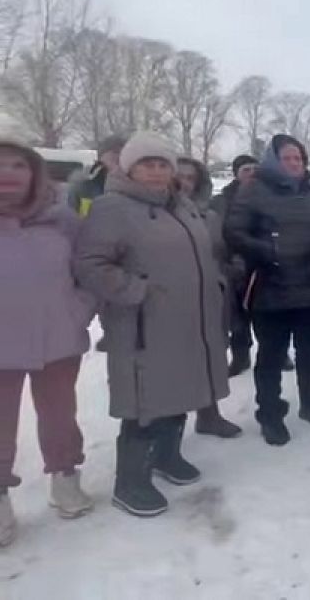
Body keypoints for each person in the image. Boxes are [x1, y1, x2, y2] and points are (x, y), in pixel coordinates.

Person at [73, 132, 230, 517]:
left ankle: (166, 456)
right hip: (143, 324)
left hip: (190, 320)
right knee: (144, 402)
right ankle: (130, 483)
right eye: (147, 164)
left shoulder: (182, 205)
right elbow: (89, 265)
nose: (157, 172)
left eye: (163, 164)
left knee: (181, 390)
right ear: (129, 168)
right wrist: (136, 290)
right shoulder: (112, 208)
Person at [0, 137, 96, 546]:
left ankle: (65, 476)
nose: (7, 173)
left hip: (57, 339)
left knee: (60, 415)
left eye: (18, 165)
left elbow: (87, 270)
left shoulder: (62, 220)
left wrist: (79, 310)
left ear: (35, 173)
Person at [224, 134, 310, 446]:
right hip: (271, 288)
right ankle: (270, 414)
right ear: (273, 161)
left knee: (309, 351)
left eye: (298, 158)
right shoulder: (254, 190)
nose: (294, 163)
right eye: (287, 158)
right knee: (272, 356)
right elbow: (234, 232)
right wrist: (269, 250)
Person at [174, 157, 243, 440]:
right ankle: (169, 431)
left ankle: (209, 415)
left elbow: (222, 250)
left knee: (211, 355)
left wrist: (232, 268)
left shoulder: (211, 217)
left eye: (190, 178)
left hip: (211, 296)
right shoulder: (156, 215)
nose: (184, 183)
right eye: (179, 176)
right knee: (176, 363)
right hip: (172, 299)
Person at [210, 154, 261, 376]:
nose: (251, 174)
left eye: (255, 169)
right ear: (236, 174)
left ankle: (278, 355)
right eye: (246, 170)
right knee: (237, 315)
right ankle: (241, 356)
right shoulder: (222, 201)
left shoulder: (268, 195)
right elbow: (216, 231)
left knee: (266, 313)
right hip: (233, 264)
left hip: (262, 262)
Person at [67, 134, 125, 216]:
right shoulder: (86, 184)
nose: (119, 157)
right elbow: (80, 215)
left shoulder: (134, 183)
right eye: (115, 152)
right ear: (101, 156)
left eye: (123, 153)